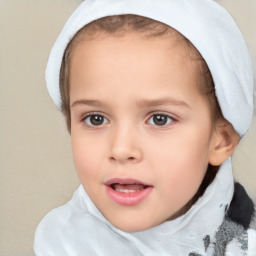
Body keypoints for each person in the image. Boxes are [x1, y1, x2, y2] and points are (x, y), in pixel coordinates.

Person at [34, 0, 256, 255]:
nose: (121, 149)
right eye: (96, 119)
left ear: (222, 139)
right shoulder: (59, 242)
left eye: (160, 119)